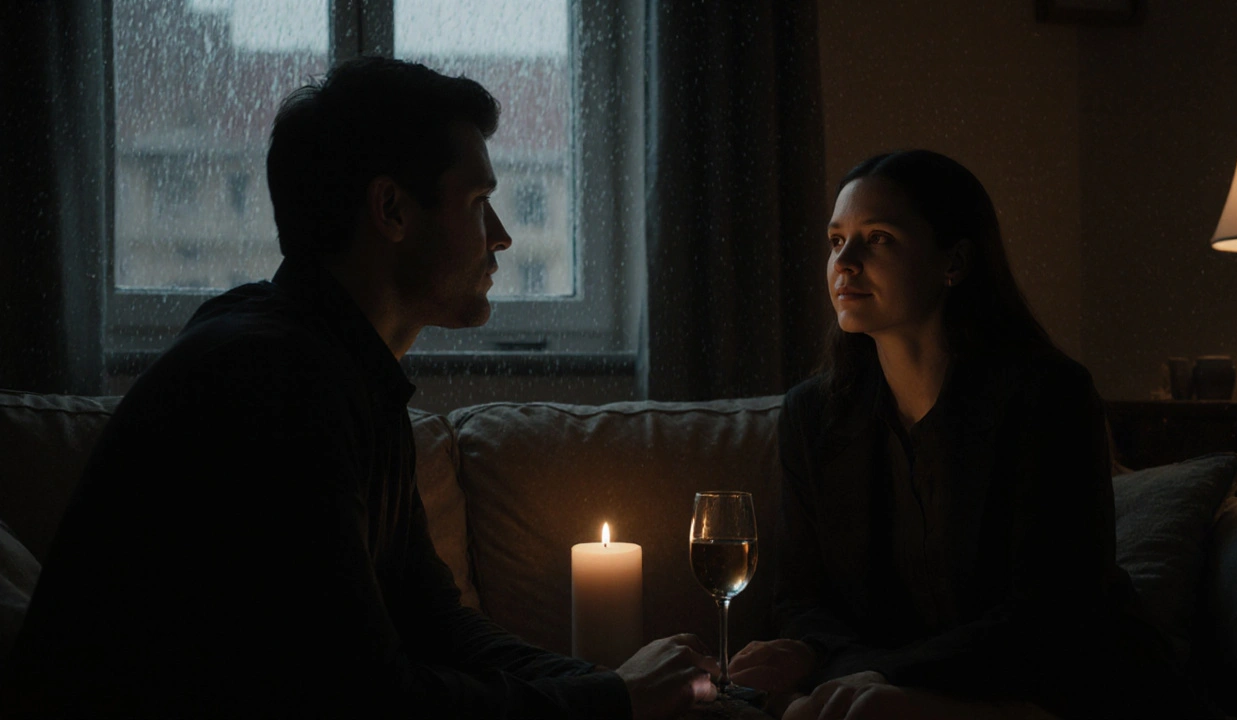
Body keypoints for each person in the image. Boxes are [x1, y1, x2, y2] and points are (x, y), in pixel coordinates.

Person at [1, 57, 717, 718]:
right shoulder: (271, 386)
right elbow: (372, 700)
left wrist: (615, 690)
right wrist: (615, 702)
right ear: (392, 211)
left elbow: (435, 622)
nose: (500, 235)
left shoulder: (340, 370)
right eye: (476, 202)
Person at [725, 150, 1207, 719]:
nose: (845, 262)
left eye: (877, 238)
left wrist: (884, 674)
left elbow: (1052, 612)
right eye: (836, 241)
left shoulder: (1047, 396)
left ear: (953, 261)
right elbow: (801, 602)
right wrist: (835, 664)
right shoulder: (813, 414)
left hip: (1056, 680)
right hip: (886, 679)